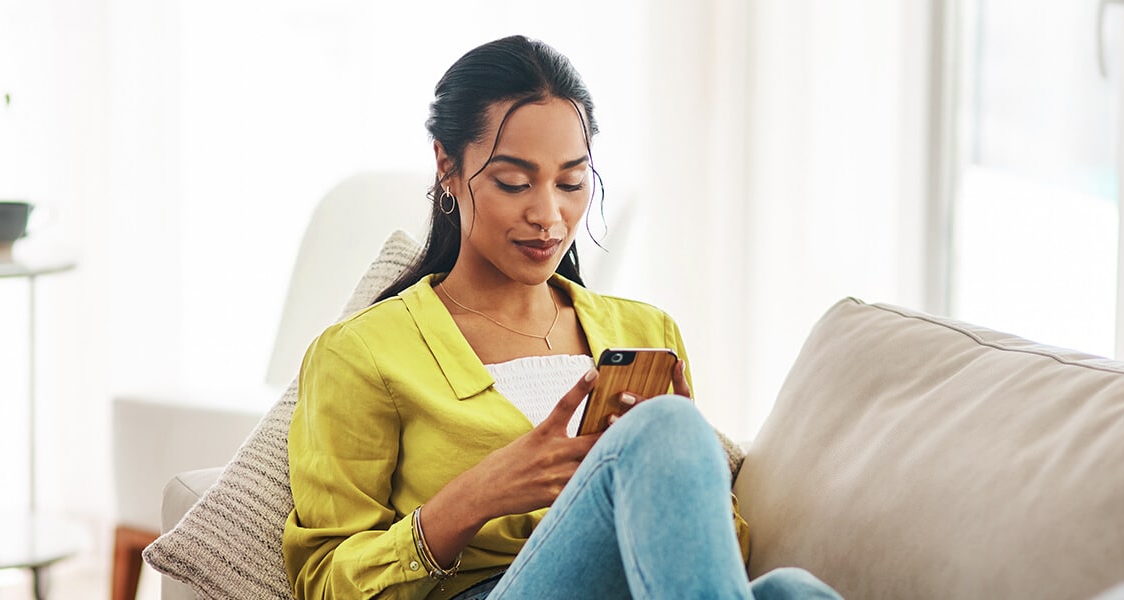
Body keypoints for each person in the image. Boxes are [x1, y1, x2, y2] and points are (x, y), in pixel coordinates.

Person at [282, 35, 842, 600]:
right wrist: (477, 495)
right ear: (447, 166)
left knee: (794, 592)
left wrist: (673, 474)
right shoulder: (362, 352)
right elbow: (322, 584)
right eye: (514, 182)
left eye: (572, 183)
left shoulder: (647, 333)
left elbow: (714, 562)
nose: (549, 216)